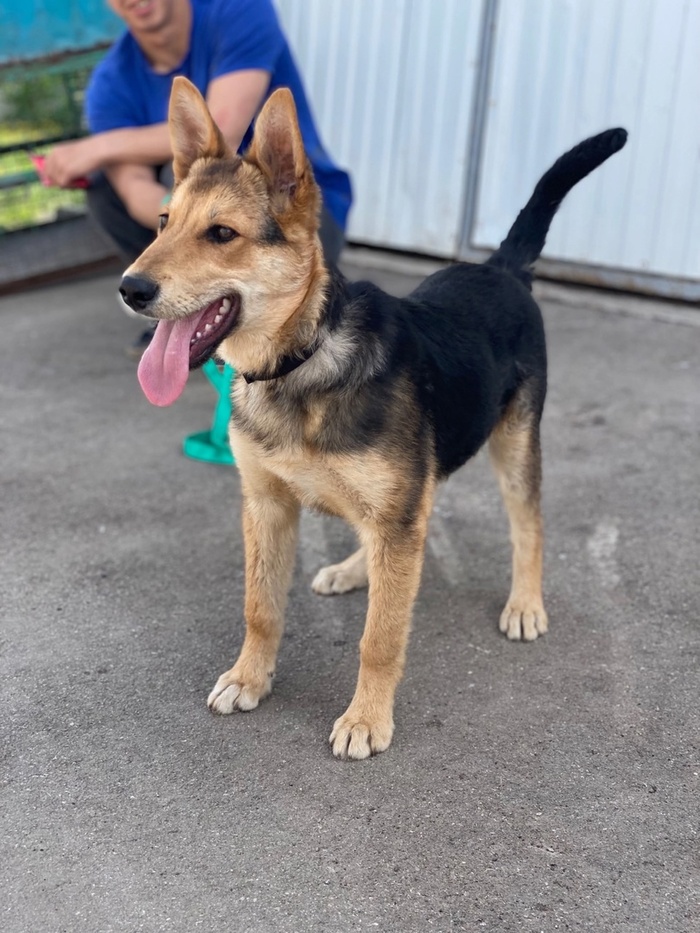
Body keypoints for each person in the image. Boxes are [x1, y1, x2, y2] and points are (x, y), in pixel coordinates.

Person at [44, 0, 352, 356]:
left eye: (219, 233)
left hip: (295, 212)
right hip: (203, 202)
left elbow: (226, 127)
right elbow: (132, 190)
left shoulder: (239, 9)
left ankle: (225, 292)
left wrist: (100, 146)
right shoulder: (110, 84)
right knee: (112, 188)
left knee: (192, 179)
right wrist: (179, 217)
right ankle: (176, 305)